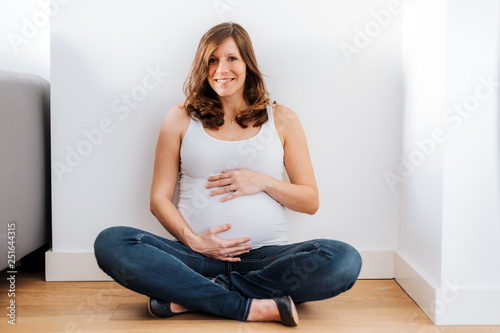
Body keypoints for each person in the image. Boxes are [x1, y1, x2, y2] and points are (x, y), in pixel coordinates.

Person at [94, 22, 362, 327]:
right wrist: (193, 240)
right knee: (112, 241)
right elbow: (159, 199)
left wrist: (262, 180)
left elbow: (309, 201)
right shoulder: (181, 117)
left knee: (343, 258)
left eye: (232, 58)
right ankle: (246, 306)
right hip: (196, 258)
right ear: (203, 67)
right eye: (212, 60)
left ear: (248, 63)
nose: (222, 68)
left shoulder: (282, 119)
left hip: (266, 259)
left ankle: (198, 296)